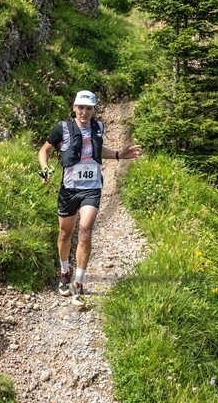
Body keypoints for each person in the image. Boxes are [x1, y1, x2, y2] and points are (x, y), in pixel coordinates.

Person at [38, 90, 141, 305]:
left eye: (89, 108)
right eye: (81, 107)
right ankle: (65, 271)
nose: (84, 112)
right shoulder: (62, 128)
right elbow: (44, 151)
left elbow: (96, 150)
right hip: (68, 188)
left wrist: (119, 154)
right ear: (74, 108)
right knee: (65, 234)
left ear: (93, 110)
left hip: (92, 188)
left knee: (85, 231)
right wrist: (45, 170)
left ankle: (79, 283)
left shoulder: (98, 127)